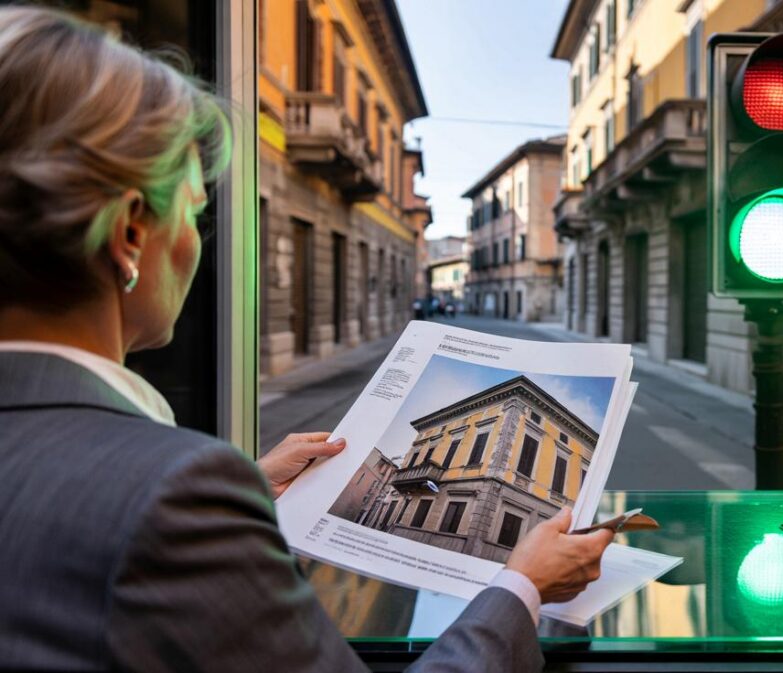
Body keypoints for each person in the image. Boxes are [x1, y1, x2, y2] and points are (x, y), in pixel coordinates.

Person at [0, 8, 613, 672]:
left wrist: (245, 495)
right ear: (129, 235)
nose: (194, 245)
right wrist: (521, 587)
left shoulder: (173, 490)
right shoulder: (174, 492)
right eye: (193, 212)